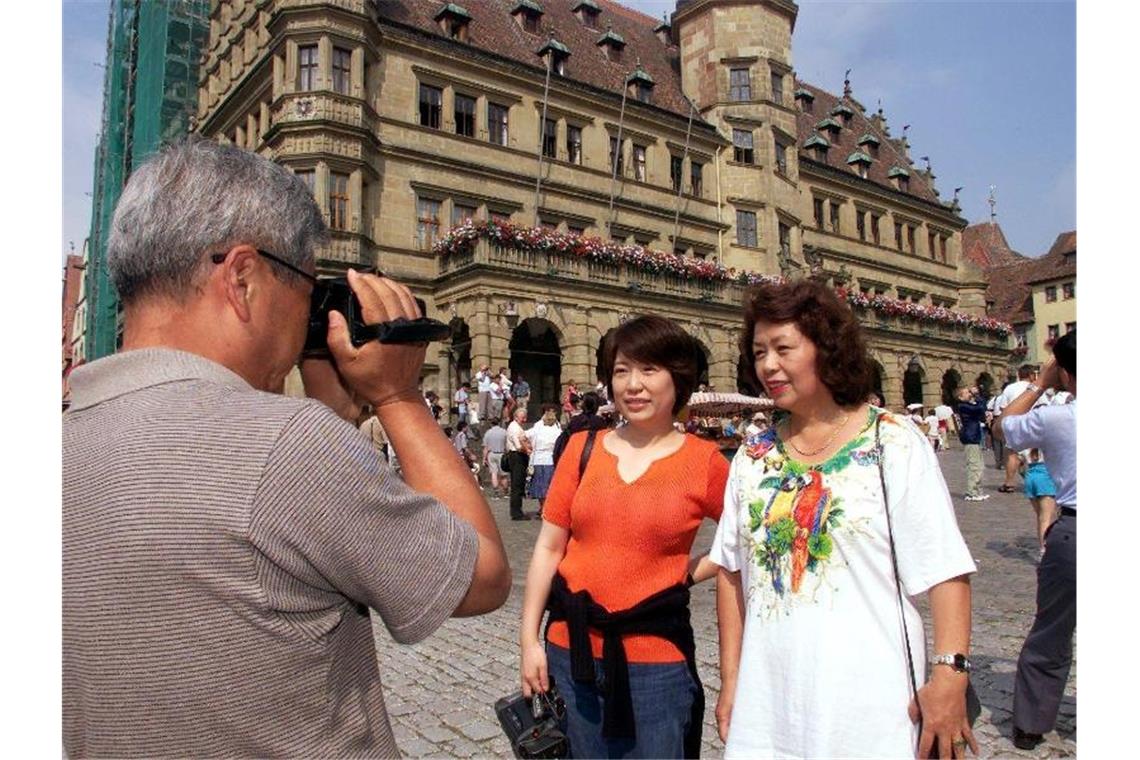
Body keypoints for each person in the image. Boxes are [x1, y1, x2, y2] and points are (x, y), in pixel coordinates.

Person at [61, 139, 511, 757]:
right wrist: (399, 397)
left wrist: (329, 415)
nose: (308, 316)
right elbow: (482, 577)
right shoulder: (289, 446)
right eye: (304, 285)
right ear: (243, 278)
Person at [712, 279, 978, 758]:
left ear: (827, 348)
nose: (768, 365)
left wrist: (949, 675)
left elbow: (945, 570)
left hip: (873, 703)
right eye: (758, 352)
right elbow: (730, 575)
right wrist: (731, 681)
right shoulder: (753, 457)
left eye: (783, 348)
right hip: (769, 703)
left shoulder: (892, 442)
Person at [519, 315, 730, 758]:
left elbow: (744, 542)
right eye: (621, 371)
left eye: (649, 370)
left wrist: (687, 573)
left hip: (656, 661)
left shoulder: (705, 461)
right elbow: (548, 546)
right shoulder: (582, 449)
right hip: (569, 649)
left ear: (679, 379)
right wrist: (528, 641)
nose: (633, 385)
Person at [994, 331, 1076, 751]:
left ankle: (1030, 722)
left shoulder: (1057, 417)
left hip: (1075, 533)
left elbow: (1004, 426)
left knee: (1053, 630)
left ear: (1064, 372)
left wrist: (1039, 385)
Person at [994, 365, 1038, 491]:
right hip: (1032, 423)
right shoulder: (1035, 388)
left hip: (1014, 424)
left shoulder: (1010, 388)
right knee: (1034, 454)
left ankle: (1009, 483)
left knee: (1012, 454)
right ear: (1030, 375)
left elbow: (1003, 408)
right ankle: (1034, 482)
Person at [552, 390, 608, 466]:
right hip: (593, 462)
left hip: (574, 460)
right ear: (597, 406)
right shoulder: (600, 423)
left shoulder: (575, 421)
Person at [525, 405, 563, 515]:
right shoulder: (557, 429)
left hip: (538, 459)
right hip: (550, 460)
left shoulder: (538, 427)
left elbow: (522, 436)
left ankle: (542, 507)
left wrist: (527, 448)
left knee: (539, 485)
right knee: (549, 486)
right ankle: (546, 508)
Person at [956, 386, 989, 502]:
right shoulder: (963, 406)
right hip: (970, 437)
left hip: (975, 437)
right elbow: (980, 408)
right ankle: (972, 492)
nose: (969, 394)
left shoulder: (969, 405)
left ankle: (978, 491)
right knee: (974, 465)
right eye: (967, 393)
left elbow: (982, 411)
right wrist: (976, 396)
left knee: (979, 466)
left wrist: (976, 397)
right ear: (960, 397)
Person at [1021, 449, 1057, 555]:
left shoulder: (1026, 443)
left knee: (1040, 517)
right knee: (1045, 519)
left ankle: (1043, 547)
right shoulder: (1047, 443)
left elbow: (1020, 466)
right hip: (1045, 476)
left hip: (1030, 477)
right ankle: (1044, 550)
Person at [504, 407, 534, 520]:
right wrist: (529, 450)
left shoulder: (516, 426)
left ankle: (517, 510)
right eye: (522, 417)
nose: (524, 420)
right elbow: (518, 446)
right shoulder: (515, 428)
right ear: (516, 417)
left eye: (525, 417)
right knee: (517, 485)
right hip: (517, 457)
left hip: (518, 456)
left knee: (519, 484)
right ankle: (516, 513)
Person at [482, 418, 509, 497]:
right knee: (503, 474)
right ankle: (506, 492)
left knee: (494, 473)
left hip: (491, 454)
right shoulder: (504, 432)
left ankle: (496, 492)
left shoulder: (488, 433)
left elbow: (485, 447)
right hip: (501, 454)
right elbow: (507, 444)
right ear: (499, 423)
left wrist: (484, 458)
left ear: (491, 424)